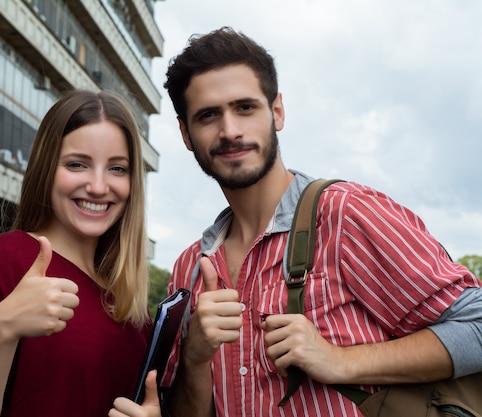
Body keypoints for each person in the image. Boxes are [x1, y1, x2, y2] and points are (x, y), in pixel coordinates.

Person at [160, 27, 482, 417]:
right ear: (185, 133)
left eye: (245, 107)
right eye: (209, 115)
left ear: (277, 111)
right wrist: (194, 359)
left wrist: (340, 360)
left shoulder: (345, 214)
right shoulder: (189, 270)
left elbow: (476, 326)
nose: (230, 130)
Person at [0, 90, 161, 417]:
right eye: (77, 164)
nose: (98, 186)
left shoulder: (129, 302)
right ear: (46, 169)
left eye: (117, 169)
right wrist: (1, 328)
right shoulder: (4, 260)